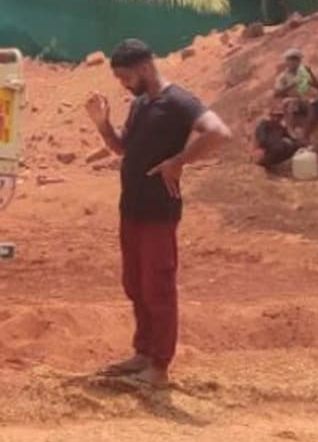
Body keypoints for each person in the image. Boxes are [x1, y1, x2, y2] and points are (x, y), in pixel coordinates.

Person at [84, 39, 232, 386]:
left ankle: (159, 367)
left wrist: (179, 162)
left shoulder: (180, 101)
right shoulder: (139, 105)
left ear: (146, 68)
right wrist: (102, 124)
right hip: (131, 209)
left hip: (159, 211)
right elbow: (123, 149)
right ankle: (143, 352)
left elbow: (219, 132)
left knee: (158, 287)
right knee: (135, 284)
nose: (123, 83)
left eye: (125, 76)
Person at [273, 47, 318, 132]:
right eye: (291, 60)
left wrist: (310, 73)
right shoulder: (283, 77)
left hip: (304, 100)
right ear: (287, 62)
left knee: (313, 108)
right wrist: (292, 85)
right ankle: (291, 130)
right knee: (292, 104)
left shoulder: (303, 74)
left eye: (296, 60)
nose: (293, 62)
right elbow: (276, 93)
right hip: (289, 101)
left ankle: (305, 133)